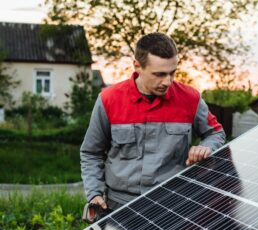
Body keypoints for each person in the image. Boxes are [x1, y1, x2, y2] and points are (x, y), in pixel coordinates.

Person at [81, 32, 226, 211]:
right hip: (119, 206)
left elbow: (216, 133)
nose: (167, 81)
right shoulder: (108, 100)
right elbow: (91, 152)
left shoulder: (190, 99)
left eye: (172, 73)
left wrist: (207, 147)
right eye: (159, 74)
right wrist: (94, 193)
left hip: (173, 204)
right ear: (137, 66)